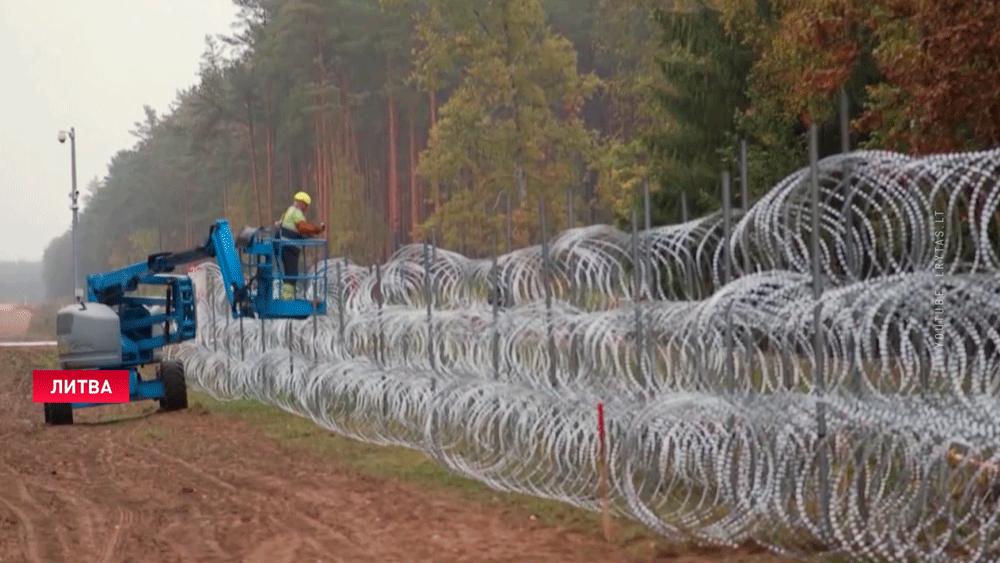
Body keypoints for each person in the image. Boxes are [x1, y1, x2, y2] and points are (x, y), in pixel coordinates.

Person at [276, 192, 325, 300]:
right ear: (300, 203)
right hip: (290, 247)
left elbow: (296, 230)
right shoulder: (296, 212)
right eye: (305, 205)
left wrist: (307, 236)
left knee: (289, 273)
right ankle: (287, 298)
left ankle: (287, 296)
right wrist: (317, 229)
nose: (306, 208)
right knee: (292, 273)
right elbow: (303, 227)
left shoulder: (289, 211)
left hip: (285, 246)